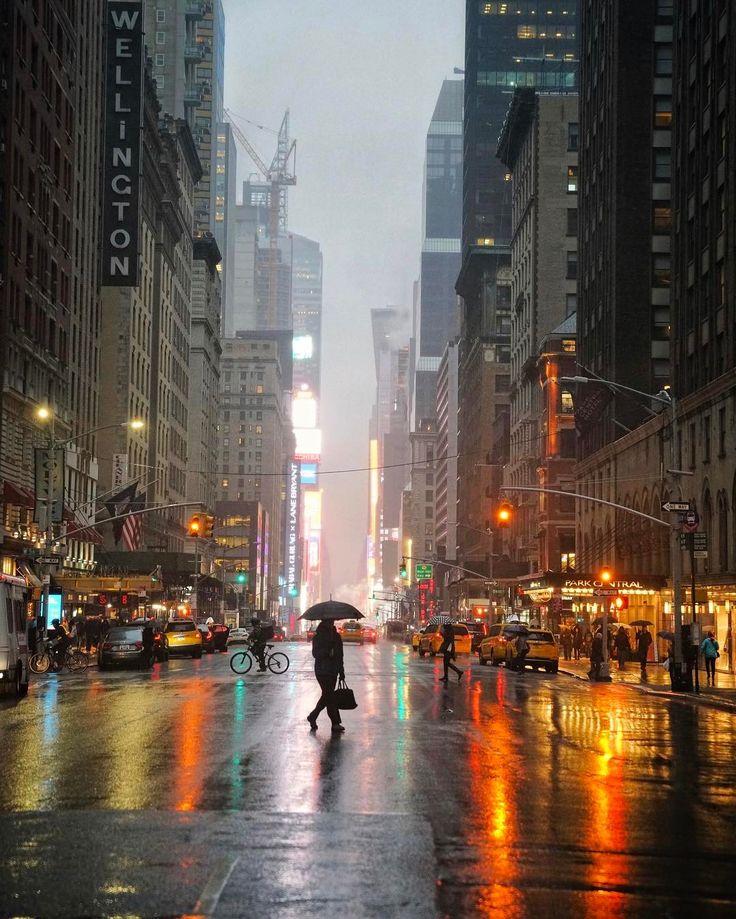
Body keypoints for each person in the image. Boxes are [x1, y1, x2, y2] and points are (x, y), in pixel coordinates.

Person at [307, 619, 345, 733]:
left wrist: (341, 672)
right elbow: (315, 653)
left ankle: (313, 716)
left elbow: (340, 656)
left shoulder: (337, 637)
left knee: (327, 695)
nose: (331, 624)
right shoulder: (318, 637)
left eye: (331, 622)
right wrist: (327, 652)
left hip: (333, 670)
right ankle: (335, 723)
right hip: (322, 670)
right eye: (329, 622)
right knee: (329, 695)